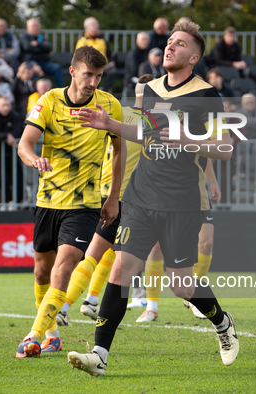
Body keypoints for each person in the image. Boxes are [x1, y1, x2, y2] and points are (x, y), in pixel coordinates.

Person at [67, 21, 238, 376]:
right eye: (170, 41)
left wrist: (185, 140)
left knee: (182, 284)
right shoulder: (151, 88)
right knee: (120, 268)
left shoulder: (207, 95)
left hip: (181, 201)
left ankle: (222, 323)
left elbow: (224, 148)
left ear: (194, 56)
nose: (170, 47)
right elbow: (144, 132)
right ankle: (99, 355)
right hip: (141, 196)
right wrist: (111, 125)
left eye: (179, 44)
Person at [14, 46, 122, 357]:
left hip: (85, 203)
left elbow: (119, 152)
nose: (93, 82)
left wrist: (113, 197)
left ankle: (33, 335)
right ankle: (51, 335)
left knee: (64, 266)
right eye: (88, 75)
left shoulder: (109, 105)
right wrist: (35, 160)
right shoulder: (48, 101)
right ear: (73, 71)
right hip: (48, 199)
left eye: (99, 76)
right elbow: (24, 144)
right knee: (41, 272)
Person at [54, 75, 154, 325]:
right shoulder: (151, 122)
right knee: (99, 254)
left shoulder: (120, 114)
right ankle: (65, 306)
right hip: (124, 198)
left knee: (108, 253)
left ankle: (90, 300)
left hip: (106, 190)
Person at [135, 159, 222, 323]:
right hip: (163, 195)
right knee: (156, 249)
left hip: (194, 193)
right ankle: (151, 308)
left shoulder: (194, 134)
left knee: (206, 243)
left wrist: (213, 182)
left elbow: (206, 154)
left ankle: (193, 297)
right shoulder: (156, 134)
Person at [0, 96, 24, 204]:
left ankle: (18, 202)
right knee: (0, 178)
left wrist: (10, 136)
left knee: (16, 177)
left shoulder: (15, 116)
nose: (6, 108)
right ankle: (3, 202)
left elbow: (19, 130)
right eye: (3, 105)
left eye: (8, 105)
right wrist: (6, 136)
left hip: (12, 152)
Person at [75, 17, 118, 92]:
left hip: (104, 66)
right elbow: (79, 58)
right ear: (86, 27)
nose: (96, 26)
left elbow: (109, 55)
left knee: (113, 72)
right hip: (89, 66)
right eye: (93, 25)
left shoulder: (103, 41)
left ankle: (102, 90)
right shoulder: (82, 41)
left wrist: (111, 62)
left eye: (96, 24)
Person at [20, 18, 65, 88]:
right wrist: (41, 46)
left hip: (44, 62)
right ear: (27, 27)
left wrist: (37, 44)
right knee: (35, 70)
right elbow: (27, 47)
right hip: (31, 62)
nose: (35, 28)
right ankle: (38, 92)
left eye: (37, 26)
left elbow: (49, 47)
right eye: (33, 26)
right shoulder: (24, 37)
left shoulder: (41, 37)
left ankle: (62, 91)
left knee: (57, 68)